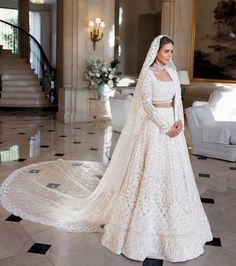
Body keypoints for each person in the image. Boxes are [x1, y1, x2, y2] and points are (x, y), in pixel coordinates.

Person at [0, 35, 213, 262]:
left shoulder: (171, 72)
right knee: (149, 174)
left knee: (174, 175)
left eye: (171, 51)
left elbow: (177, 100)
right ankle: (141, 228)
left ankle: (179, 225)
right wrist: (164, 126)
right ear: (156, 52)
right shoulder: (148, 74)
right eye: (167, 51)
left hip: (174, 128)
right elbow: (146, 104)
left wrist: (179, 121)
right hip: (156, 129)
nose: (170, 55)